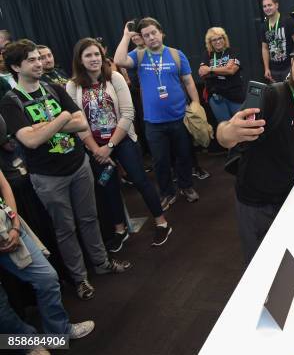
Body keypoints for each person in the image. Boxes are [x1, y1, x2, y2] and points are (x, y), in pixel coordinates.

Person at [0, 40, 132, 300]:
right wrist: (62, 119)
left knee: (89, 218)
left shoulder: (52, 88)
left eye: (40, 58)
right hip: (48, 177)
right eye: (32, 60)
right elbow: (29, 140)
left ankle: (102, 263)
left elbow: (81, 123)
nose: (39, 63)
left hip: (78, 165)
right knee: (65, 229)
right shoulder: (10, 101)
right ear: (16, 66)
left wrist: (46, 126)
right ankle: (80, 278)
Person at [217, 32, 294, 263]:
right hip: (259, 207)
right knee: (262, 268)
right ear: (291, 64)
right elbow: (225, 133)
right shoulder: (272, 97)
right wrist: (228, 133)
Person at [66, 37, 172, 249]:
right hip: (94, 146)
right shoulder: (72, 85)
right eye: (88, 55)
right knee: (108, 187)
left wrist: (110, 146)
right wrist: (96, 149)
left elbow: (127, 113)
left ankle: (162, 223)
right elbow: (77, 121)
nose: (94, 59)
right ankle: (119, 230)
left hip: (122, 141)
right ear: (80, 59)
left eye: (97, 54)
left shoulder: (114, 77)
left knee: (140, 180)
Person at [114, 17, 201, 209]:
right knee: (160, 161)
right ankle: (167, 192)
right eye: (146, 35)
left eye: (154, 33)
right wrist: (126, 35)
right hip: (154, 122)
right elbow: (119, 60)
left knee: (184, 156)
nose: (151, 37)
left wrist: (196, 104)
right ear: (142, 39)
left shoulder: (177, 55)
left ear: (161, 32)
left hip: (180, 117)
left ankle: (186, 186)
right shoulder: (139, 55)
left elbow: (188, 81)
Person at [0, 170, 94, 343]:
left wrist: (15, 223)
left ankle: (58, 333)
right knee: (3, 309)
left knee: (47, 278)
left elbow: (3, 185)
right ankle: (28, 345)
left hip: (7, 227)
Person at [198, 27, 246, 123]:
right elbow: (202, 72)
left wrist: (210, 69)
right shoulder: (207, 54)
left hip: (235, 96)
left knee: (241, 124)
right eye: (214, 40)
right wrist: (223, 69)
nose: (218, 42)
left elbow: (231, 71)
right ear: (210, 42)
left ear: (224, 39)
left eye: (220, 38)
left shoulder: (232, 51)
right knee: (226, 126)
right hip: (217, 98)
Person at [260, 0, 294, 83]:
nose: (267, 8)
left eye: (269, 5)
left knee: (292, 94)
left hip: (289, 67)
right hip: (273, 70)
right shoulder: (264, 26)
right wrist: (266, 68)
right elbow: (265, 48)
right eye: (264, 6)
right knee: (278, 95)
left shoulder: (288, 21)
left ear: (276, 5)